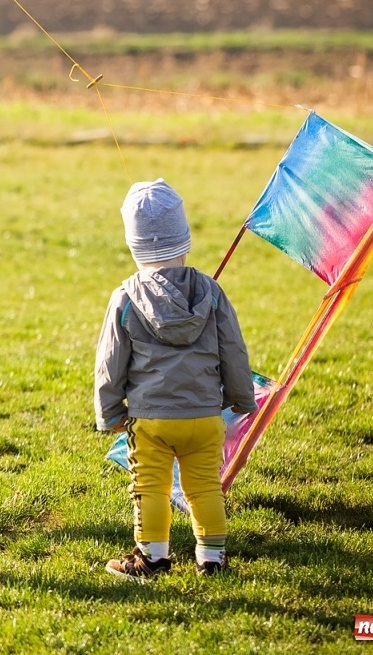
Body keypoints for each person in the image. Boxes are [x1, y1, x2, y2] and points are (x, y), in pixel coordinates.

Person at [93, 179, 256, 579]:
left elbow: (110, 360)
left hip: (151, 421)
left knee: (150, 486)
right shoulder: (211, 292)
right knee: (203, 487)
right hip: (203, 417)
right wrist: (241, 396)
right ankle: (212, 559)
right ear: (185, 240)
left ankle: (152, 557)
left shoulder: (126, 296)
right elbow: (233, 350)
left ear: (134, 247)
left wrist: (110, 412)